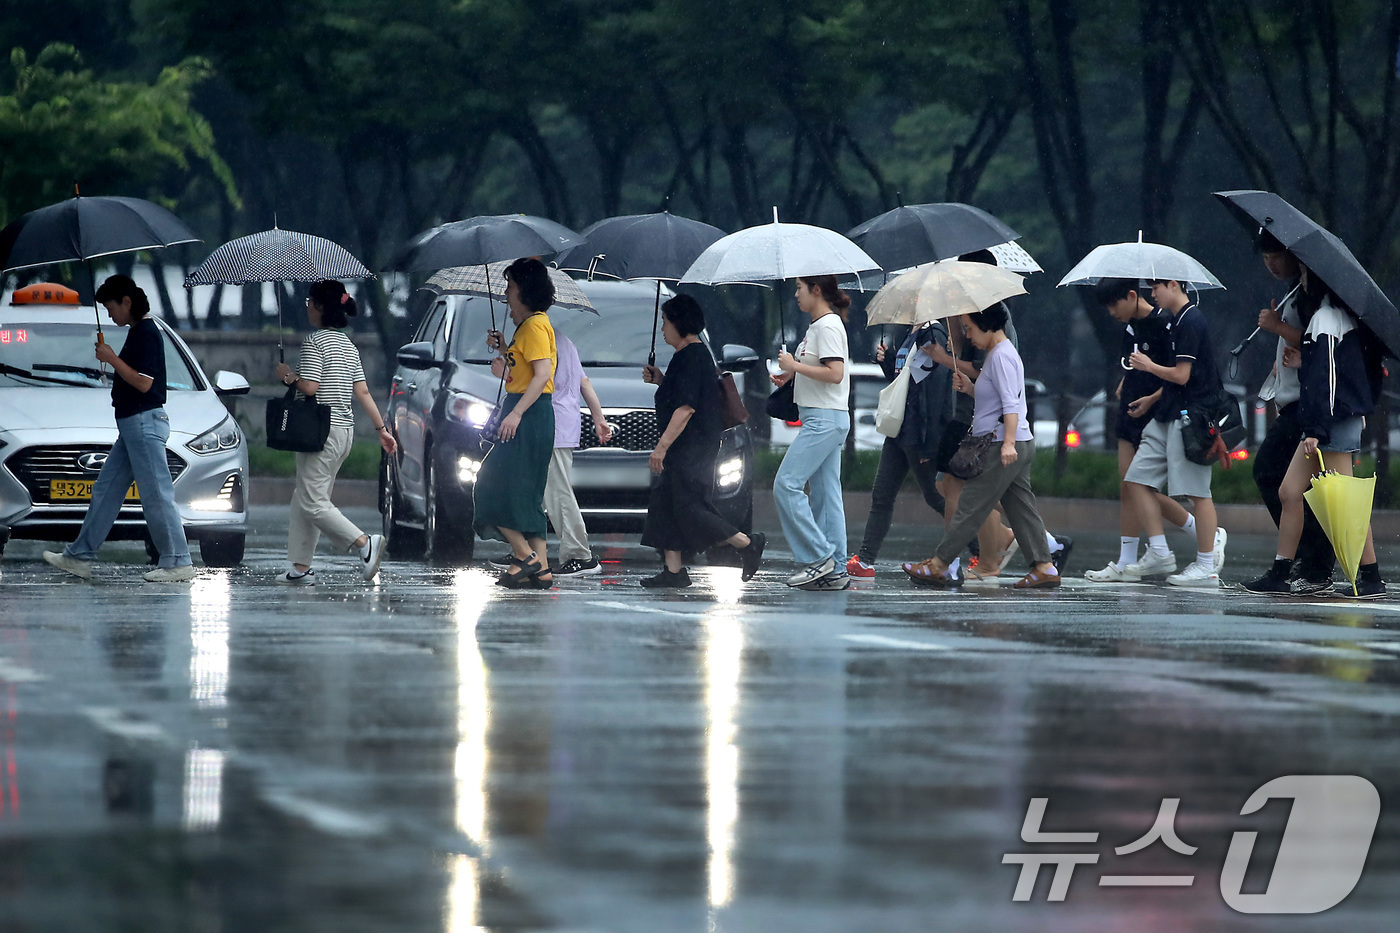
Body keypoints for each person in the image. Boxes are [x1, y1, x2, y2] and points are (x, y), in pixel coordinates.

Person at [43, 275, 196, 583]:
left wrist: (112, 358)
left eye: (111, 307)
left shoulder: (147, 333)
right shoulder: (140, 331)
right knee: (107, 490)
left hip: (143, 422)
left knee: (156, 494)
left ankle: (178, 560)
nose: (110, 314)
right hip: (132, 426)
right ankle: (79, 556)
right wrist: (111, 359)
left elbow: (145, 382)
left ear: (127, 302)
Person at [901, 304, 1060, 588]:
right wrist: (970, 388)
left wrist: (1008, 444)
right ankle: (1044, 566)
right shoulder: (999, 354)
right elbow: (996, 400)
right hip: (1015, 441)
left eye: (970, 329)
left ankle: (939, 564)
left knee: (969, 505)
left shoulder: (1000, 356)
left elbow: (1011, 404)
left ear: (986, 324)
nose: (968, 335)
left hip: (1002, 444)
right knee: (1022, 508)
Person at [1268, 272, 1386, 598]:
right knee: (1290, 491)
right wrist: (1304, 362)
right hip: (1328, 420)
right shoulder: (1336, 319)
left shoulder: (1325, 319)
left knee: (1345, 503)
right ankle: (1280, 571)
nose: (1301, 280)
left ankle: (1371, 577)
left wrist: (1316, 430)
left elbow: (1327, 381)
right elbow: (1337, 372)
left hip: (1332, 422)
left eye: (1306, 276)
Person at [1084, 278, 1209, 582]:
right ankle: (1126, 559)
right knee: (1129, 486)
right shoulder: (1130, 326)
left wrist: (1151, 397)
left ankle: (1203, 531)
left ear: (1130, 295)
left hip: (1156, 412)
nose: (1112, 312)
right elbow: (1132, 364)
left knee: (1144, 486)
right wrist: (1125, 384)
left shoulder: (1166, 323)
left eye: (1115, 305)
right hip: (1129, 409)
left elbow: (1175, 375)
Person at [271, 280, 396, 584]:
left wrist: (288, 376)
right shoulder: (347, 345)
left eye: (309, 302)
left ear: (320, 307)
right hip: (344, 433)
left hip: (319, 432)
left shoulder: (315, 342)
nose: (307, 307)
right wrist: (381, 430)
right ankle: (300, 568)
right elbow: (363, 392)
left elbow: (310, 387)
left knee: (313, 501)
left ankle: (364, 543)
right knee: (308, 497)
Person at [639, 295, 766, 587]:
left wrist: (661, 448)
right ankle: (673, 572)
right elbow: (683, 393)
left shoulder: (693, 356)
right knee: (665, 503)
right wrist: (661, 379)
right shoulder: (686, 357)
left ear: (679, 323)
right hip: (687, 447)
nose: (662, 329)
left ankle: (747, 543)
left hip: (693, 449)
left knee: (690, 507)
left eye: (665, 322)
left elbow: (686, 409)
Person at [1242, 234, 1336, 595]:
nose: (1271, 265)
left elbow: (1318, 342)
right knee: (1297, 486)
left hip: (1307, 405)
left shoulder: (1314, 295)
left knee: (1272, 473)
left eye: (1275, 257)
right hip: (1294, 401)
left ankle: (1312, 560)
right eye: (1265, 258)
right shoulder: (1294, 292)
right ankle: (1306, 561)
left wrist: (1277, 326)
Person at [1121, 279, 1228, 587]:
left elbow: (1182, 376)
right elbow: (1175, 379)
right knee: (1137, 479)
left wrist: (1147, 365)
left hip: (1192, 417)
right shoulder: (1171, 321)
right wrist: (1152, 399)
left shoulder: (1192, 320)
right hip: (1167, 411)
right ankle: (1158, 551)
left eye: (1156, 288)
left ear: (1173, 285)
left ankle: (1206, 565)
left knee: (1197, 492)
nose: (1152, 294)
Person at [493, 334, 612, 576]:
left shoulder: (535, 335)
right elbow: (584, 382)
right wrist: (598, 418)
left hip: (549, 423)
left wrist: (504, 373)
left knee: (557, 492)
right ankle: (525, 550)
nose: (511, 309)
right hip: (559, 424)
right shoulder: (564, 340)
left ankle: (580, 555)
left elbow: (534, 381)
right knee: (532, 490)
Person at [474, 257, 558, 588]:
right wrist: (505, 352)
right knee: (526, 494)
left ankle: (525, 557)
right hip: (527, 410)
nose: (506, 294)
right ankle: (543, 569)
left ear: (525, 291)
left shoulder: (536, 325)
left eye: (510, 287)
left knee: (489, 484)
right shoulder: (529, 327)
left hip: (530, 414)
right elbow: (523, 372)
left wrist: (517, 413)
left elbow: (542, 376)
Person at [846, 320, 954, 578]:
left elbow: (934, 390)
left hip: (919, 431)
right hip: (899, 427)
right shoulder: (912, 332)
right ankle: (866, 559)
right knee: (882, 495)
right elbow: (905, 381)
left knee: (935, 496)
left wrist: (930, 442)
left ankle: (979, 549)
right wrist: (889, 361)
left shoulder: (933, 333)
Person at [772, 275, 853, 591]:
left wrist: (795, 365)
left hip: (824, 420)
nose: (795, 295)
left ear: (816, 290)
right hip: (821, 418)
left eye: (799, 288)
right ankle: (836, 569)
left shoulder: (828, 326)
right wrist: (791, 375)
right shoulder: (816, 327)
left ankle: (820, 558)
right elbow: (820, 370)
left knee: (786, 484)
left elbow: (835, 373)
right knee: (825, 495)